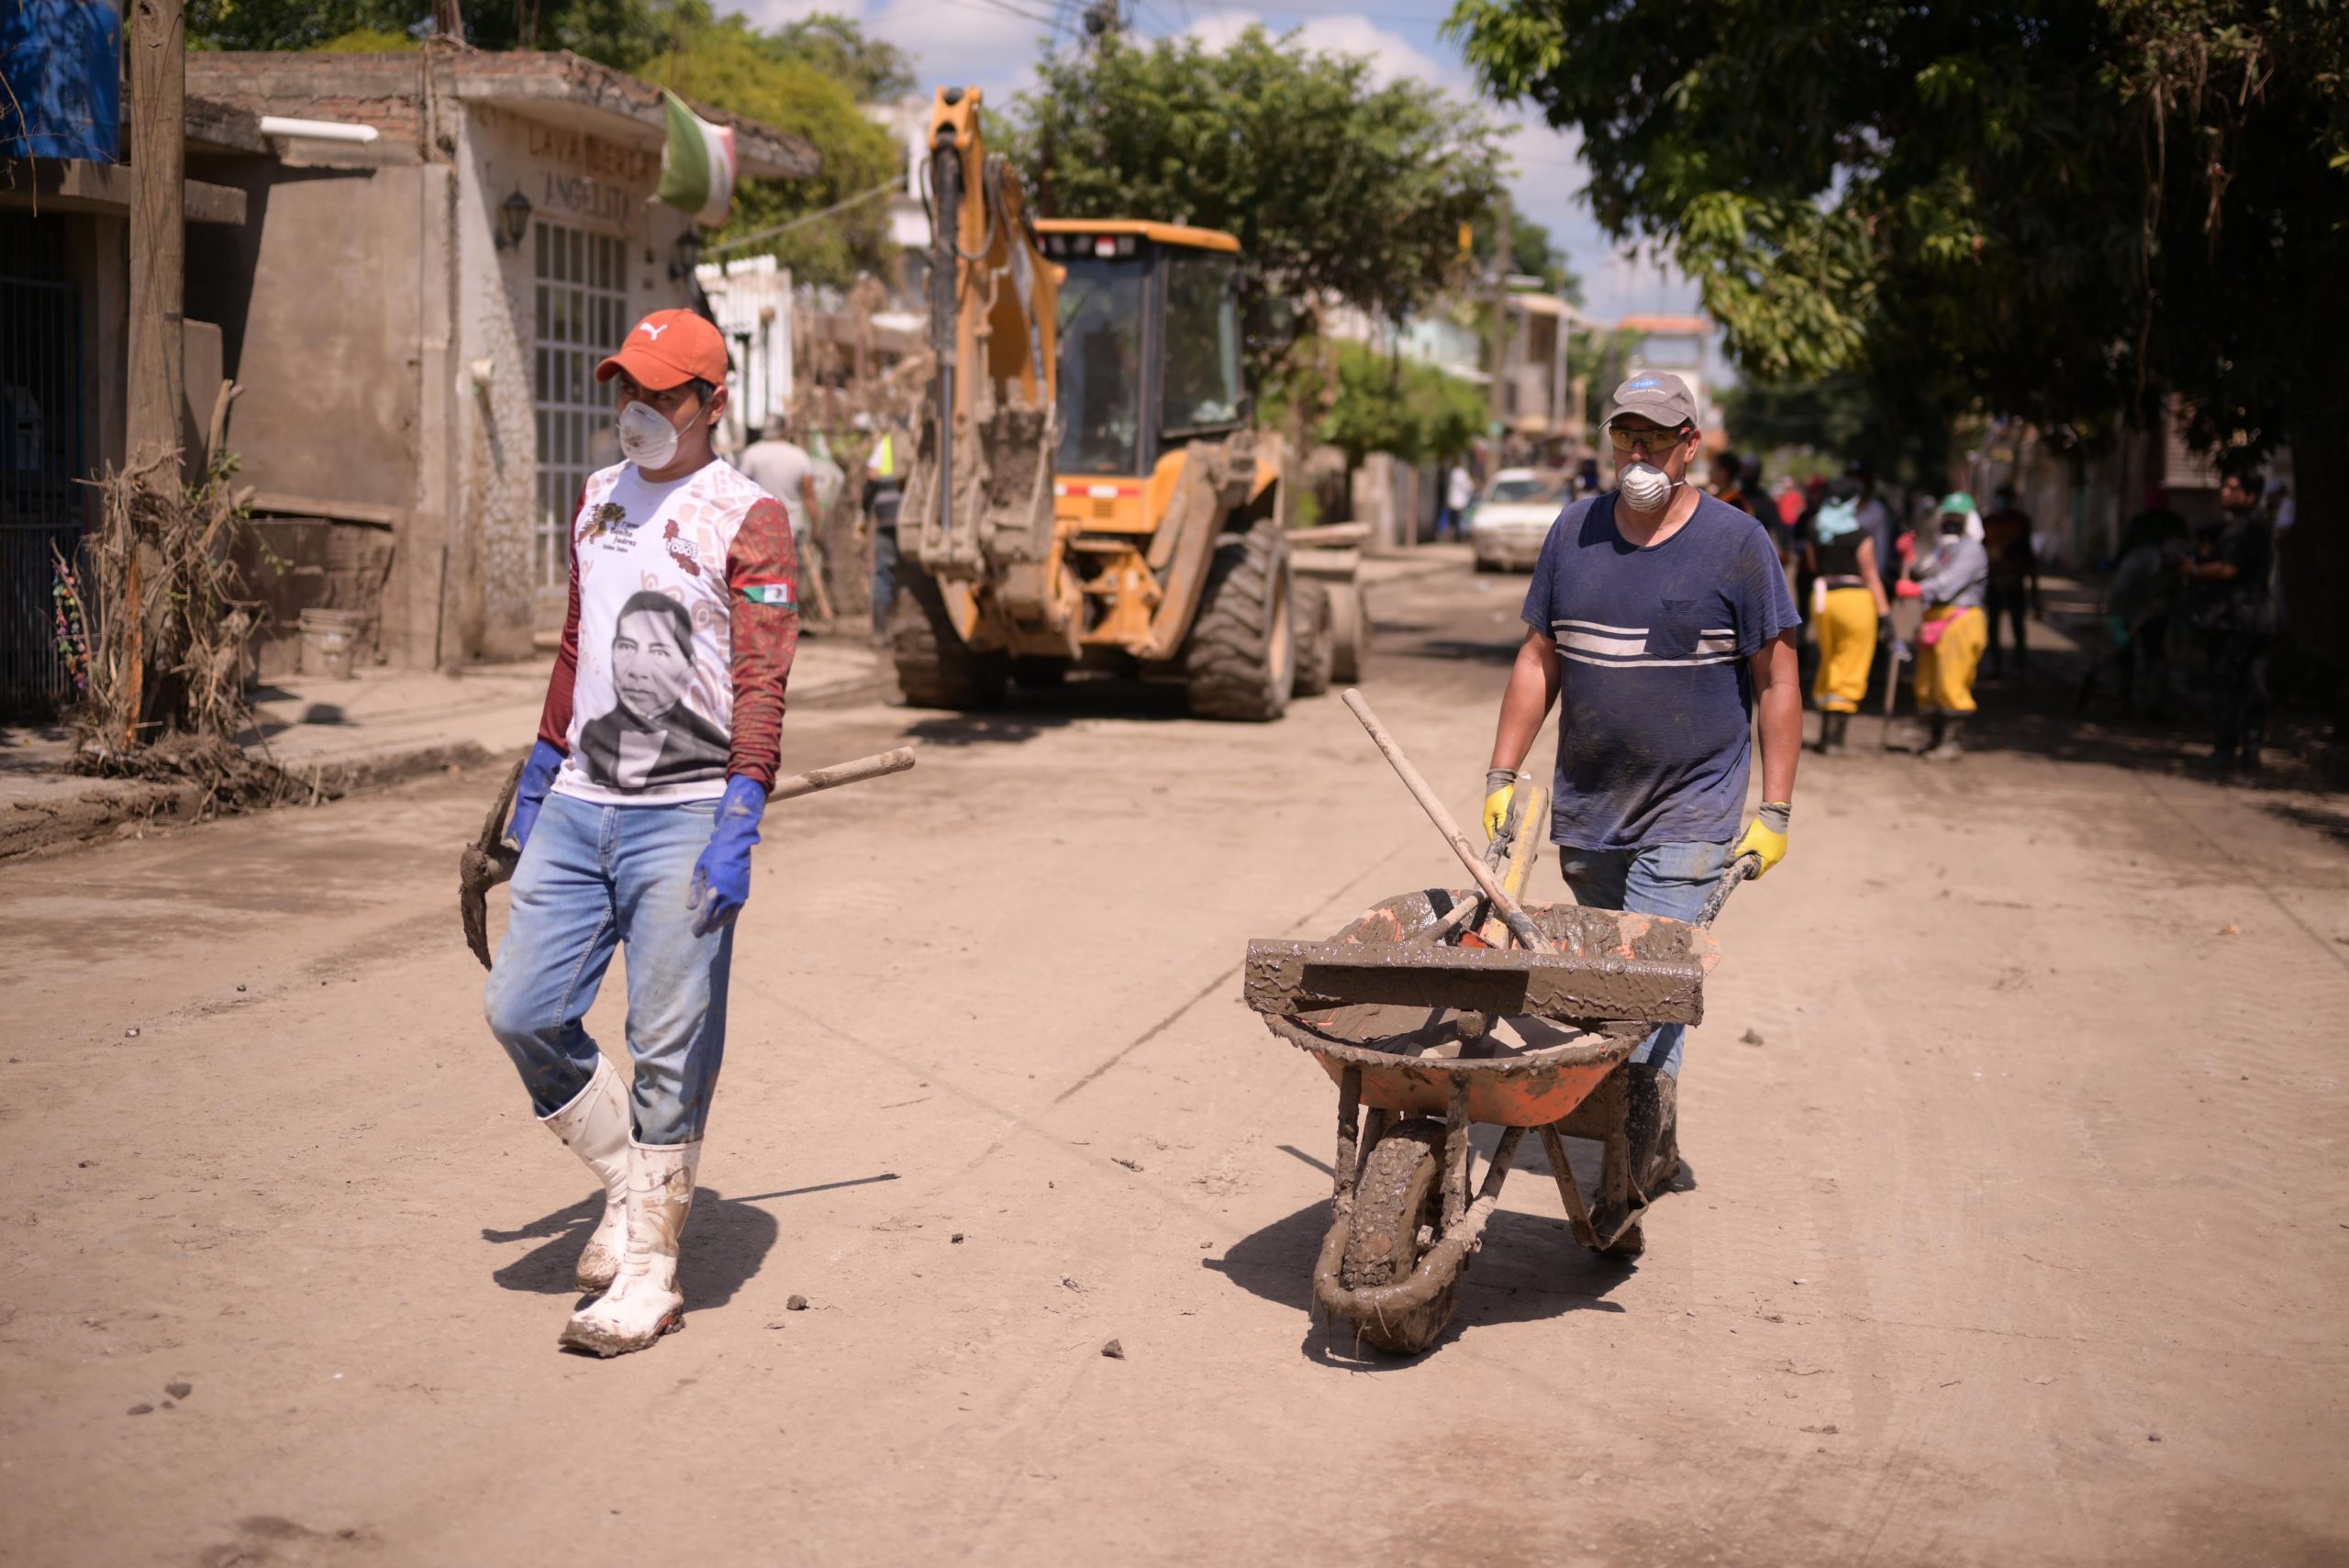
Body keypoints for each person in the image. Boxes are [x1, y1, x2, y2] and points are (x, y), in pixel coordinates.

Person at [484, 308, 801, 1357]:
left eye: (664, 393)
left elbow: (761, 675)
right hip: (582, 800)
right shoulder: (597, 498)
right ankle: (629, 1180)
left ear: (713, 403)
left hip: (685, 811)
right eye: (629, 388)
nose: (640, 409)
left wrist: (740, 812)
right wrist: (538, 775)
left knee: (668, 1043)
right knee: (523, 1007)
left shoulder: (748, 516)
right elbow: (578, 644)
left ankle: (652, 1268)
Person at [1483, 372, 1801, 1197]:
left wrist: (1773, 809)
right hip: (1590, 809)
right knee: (1605, 983)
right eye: (1626, 435)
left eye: (1656, 438)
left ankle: (1625, 1172)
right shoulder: (1574, 531)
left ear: (1690, 446)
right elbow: (1539, 658)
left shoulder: (1738, 544)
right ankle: (1646, 1126)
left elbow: (1777, 679)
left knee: (1648, 980)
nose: (1638, 453)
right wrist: (1501, 772)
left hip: (1693, 805)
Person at [2182, 470, 2275, 769]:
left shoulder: (2244, 529)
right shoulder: (2252, 526)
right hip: (2255, 617)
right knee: (2251, 684)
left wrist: (2195, 570)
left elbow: (2228, 569)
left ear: (2249, 495)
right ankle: (2249, 748)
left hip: (2236, 618)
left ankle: (2228, 748)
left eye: (2232, 488)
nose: (2224, 492)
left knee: (2229, 684)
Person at [1807, 479, 1891, 752]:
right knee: (1851, 661)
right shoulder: (1860, 534)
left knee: (1829, 660)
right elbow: (1871, 575)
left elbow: (1813, 565)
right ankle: (1836, 737)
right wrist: (1885, 616)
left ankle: (1825, 731)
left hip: (1823, 599)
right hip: (1855, 600)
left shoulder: (1815, 528)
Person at [1908, 493, 1991, 760]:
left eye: (1957, 518)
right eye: (1948, 517)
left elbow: (1947, 584)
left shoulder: (1972, 550)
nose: (1951, 523)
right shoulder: (1942, 548)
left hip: (1961, 621)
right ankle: (1934, 739)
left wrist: (1917, 589)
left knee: (1951, 683)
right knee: (1927, 684)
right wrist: (1909, 557)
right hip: (1935, 619)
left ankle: (1951, 743)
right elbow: (1923, 570)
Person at [734, 412, 822, 568]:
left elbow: (739, 490)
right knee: (786, 573)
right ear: (785, 430)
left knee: (760, 572)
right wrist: (816, 528)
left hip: (758, 528)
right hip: (790, 527)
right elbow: (810, 495)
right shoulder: (799, 456)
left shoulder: (751, 454)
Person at [1980, 484, 2039, 681]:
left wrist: (2034, 589)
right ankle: (1996, 665)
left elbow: (2028, 554)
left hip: (2014, 580)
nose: (2002, 501)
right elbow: (1982, 551)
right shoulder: (1988, 521)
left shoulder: (2020, 522)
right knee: (1993, 626)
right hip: (1994, 581)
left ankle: (2019, 666)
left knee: (2017, 625)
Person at [859, 414, 907, 642]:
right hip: (907, 514)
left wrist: (865, 511)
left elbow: (872, 475)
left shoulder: (887, 443)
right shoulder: (915, 441)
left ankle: (880, 631)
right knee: (908, 573)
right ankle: (899, 627)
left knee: (884, 572)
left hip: (886, 514)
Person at [1438, 461, 1475, 539]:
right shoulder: (1461, 473)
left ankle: (1456, 534)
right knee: (1459, 520)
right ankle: (1460, 535)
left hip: (1453, 501)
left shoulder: (1453, 472)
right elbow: (1468, 487)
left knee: (1454, 520)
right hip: (1460, 502)